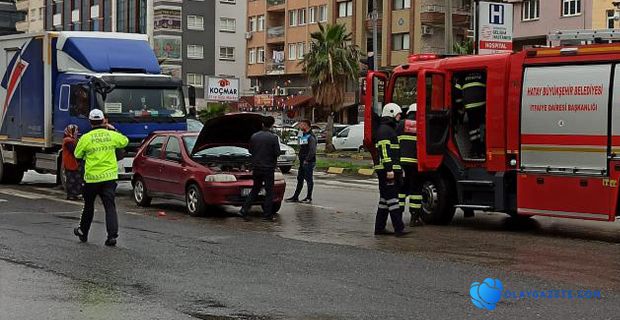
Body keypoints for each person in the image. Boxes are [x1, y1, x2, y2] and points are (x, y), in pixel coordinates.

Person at [73, 109, 129, 246]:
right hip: (109, 177)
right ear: (104, 120)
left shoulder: (86, 138)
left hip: (92, 178)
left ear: (90, 122)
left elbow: (77, 155)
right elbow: (125, 141)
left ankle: (83, 232)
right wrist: (113, 128)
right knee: (110, 207)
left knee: (89, 206)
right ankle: (112, 236)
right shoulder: (111, 135)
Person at [374, 103, 409, 237]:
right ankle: (399, 229)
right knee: (393, 200)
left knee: (384, 200)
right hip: (386, 170)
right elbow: (384, 151)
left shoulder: (386, 129)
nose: (399, 118)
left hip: (387, 169)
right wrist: (389, 170)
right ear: (392, 113)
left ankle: (379, 228)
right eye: (398, 115)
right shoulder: (385, 130)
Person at [239, 116, 281, 222]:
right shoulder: (273, 138)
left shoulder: (254, 136)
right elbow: (277, 153)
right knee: (269, 192)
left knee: (255, 189)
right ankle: (267, 215)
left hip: (257, 168)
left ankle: (244, 209)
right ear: (272, 125)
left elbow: (250, 150)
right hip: (268, 168)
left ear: (262, 124)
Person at [398, 104, 424, 227]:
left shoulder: (401, 124)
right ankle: (415, 218)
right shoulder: (422, 124)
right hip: (416, 163)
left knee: (401, 190)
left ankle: (398, 217)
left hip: (402, 163)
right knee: (416, 190)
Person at [454, 71, 486, 158]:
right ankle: (482, 149)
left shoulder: (462, 77)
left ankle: (475, 150)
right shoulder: (482, 75)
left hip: (470, 107)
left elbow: (457, 93)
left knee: (473, 129)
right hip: (483, 105)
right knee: (482, 127)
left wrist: (460, 110)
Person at [286, 120, 317, 203]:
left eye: (301, 125)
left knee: (308, 179)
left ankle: (308, 197)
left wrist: (307, 159)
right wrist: (300, 134)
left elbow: (312, 150)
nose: (300, 126)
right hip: (302, 160)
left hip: (308, 161)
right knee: (300, 179)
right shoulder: (304, 135)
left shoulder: (311, 136)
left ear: (306, 125)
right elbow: (300, 145)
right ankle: (295, 196)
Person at [62, 124, 82, 201]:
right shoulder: (68, 140)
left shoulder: (71, 140)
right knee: (71, 179)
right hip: (70, 162)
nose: (77, 133)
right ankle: (71, 195)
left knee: (76, 179)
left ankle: (75, 194)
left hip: (73, 162)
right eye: (75, 131)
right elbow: (74, 150)